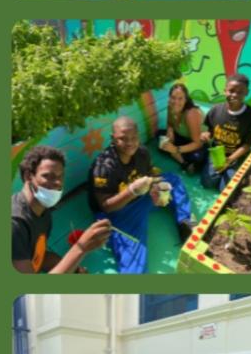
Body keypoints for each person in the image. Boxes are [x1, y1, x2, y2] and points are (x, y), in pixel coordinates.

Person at [88, 116, 195, 273]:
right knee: (136, 270)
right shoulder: (104, 166)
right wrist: (132, 191)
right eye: (123, 138)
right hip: (119, 213)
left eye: (134, 137)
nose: (130, 143)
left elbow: (149, 173)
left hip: (141, 196)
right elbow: (106, 206)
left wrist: (155, 188)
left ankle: (185, 224)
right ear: (112, 139)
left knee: (173, 180)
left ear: (138, 136)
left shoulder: (142, 152)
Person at [11, 146, 111, 274]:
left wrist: (74, 269)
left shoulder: (43, 209)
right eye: (48, 176)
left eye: (60, 176)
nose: (58, 182)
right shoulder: (15, 224)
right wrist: (80, 248)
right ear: (28, 176)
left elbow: (37, 256)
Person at [199, 74, 251, 190]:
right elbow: (210, 131)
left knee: (224, 189)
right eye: (231, 91)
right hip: (217, 155)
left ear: (247, 92)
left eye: (240, 92)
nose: (235, 95)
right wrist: (206, 135)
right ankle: (207, 166)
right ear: (225, 91)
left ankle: (233, 172)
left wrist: (229, 160)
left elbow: (248, 144)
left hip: (236, 157)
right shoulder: (215, 110)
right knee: (207, 183)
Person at [159, 83, 207, 173]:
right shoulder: (170, 106)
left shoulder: (190, 113)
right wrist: (170, 131)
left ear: (186, 99)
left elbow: (198, 143)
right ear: (169, 98)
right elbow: (169, 123)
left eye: (180, 98)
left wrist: (175, 149)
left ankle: (181, 159)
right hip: (183, 137)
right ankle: (183, 161)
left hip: (199, 142)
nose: (176, 102)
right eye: (173, 97)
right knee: (160, 137)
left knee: (196, 157)